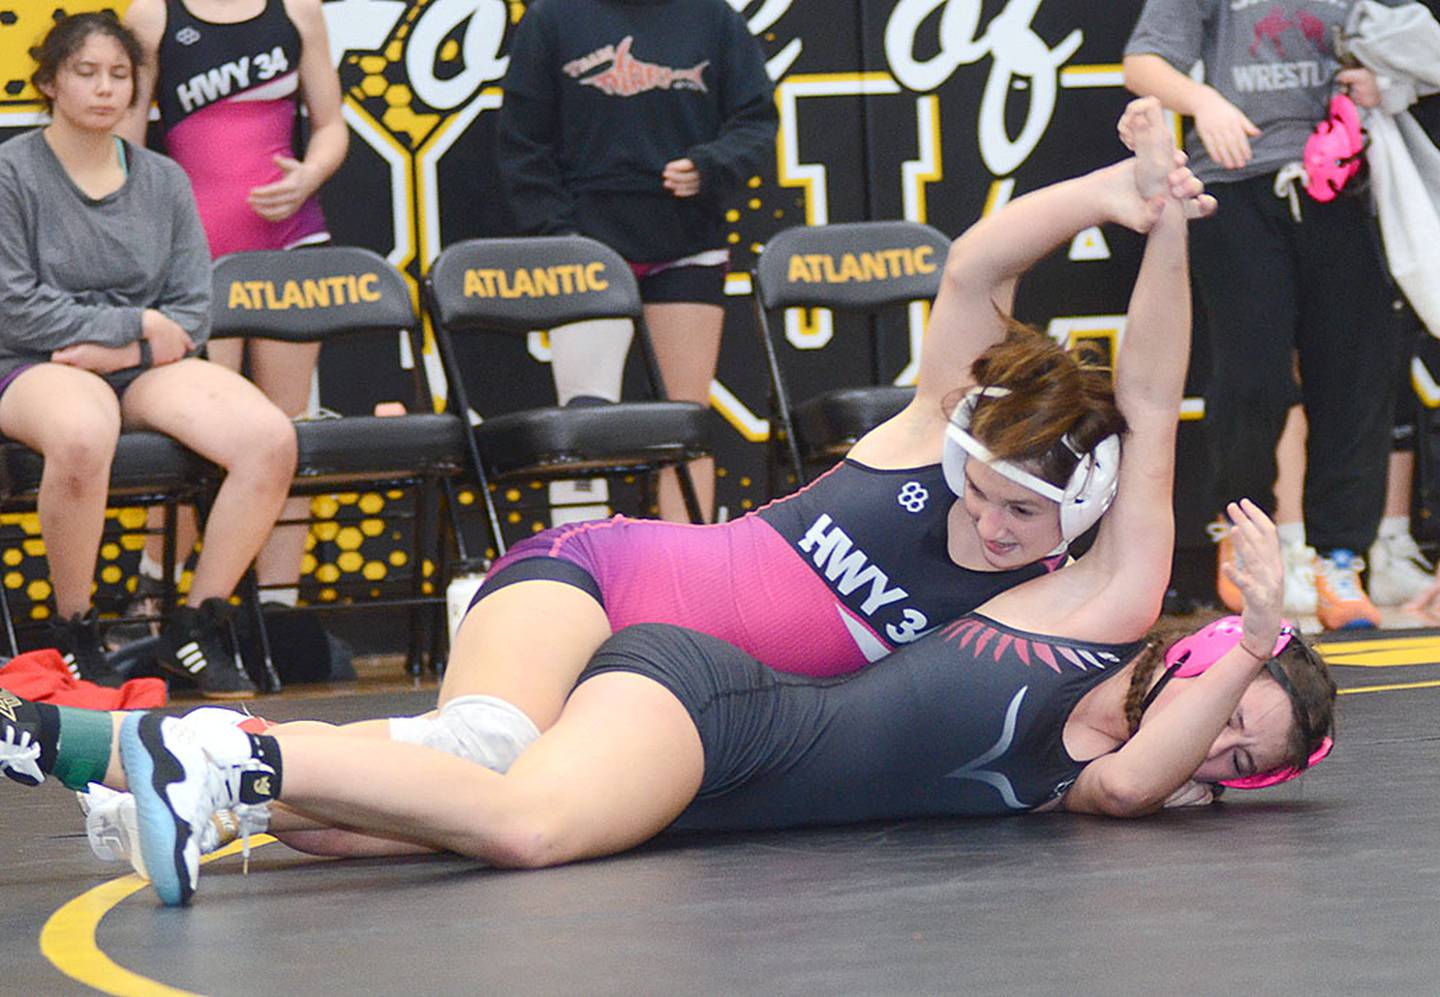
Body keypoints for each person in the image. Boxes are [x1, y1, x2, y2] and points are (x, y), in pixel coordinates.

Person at [0, 108, 1336, 909]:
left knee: (453, 773)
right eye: (980, 500)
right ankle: (208, 766)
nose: (985, 532)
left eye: (1015, 527)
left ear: (1078, 516)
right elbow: (982, 263)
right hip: (603, 570)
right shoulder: (941, 423)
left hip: (686, 673)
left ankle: (138, 766)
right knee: (481, 756)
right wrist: (1117, 195)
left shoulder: (1086, 569)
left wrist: (1171, 240)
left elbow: (1152, 399)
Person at [0, 13, 299, 696]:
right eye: (86, 72)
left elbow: (193, 311)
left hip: (134, 361)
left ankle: (193, 626)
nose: (105, 89)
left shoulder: (163, 179)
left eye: (119, 75)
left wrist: (124, 347)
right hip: (29, 360)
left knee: (268, 438)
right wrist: (135, 323)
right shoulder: (11, 172)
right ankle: (74, 630)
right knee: (80, 431)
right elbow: (14, 306)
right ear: (49, 80)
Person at [1123, 0, 1408, 631]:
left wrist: (1383, 81)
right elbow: (1142, 62)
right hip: (1237, 182)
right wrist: (1204, 101)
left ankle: (1341, 562)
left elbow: (1415, 38)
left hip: (1347, 180)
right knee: (1252, 379)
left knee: (1354, 380)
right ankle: (1241, 529)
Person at [494, 0, 779, 522]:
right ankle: (573, 573)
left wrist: (709, 166)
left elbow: (757, 121)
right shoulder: (552, 19)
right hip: (585, 254)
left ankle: (685, 576)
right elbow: (522, 141)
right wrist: (561, 237)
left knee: (684, 425)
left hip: (688, 242)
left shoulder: (713, 17)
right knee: (581, 426)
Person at [114, 0, 346, 630]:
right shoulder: (152, 16)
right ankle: (155, 605)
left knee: (287, 431)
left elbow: (331, 125)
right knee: (201, 438)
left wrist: (310, 174)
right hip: (195, 260)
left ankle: (277, 613)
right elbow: (126, 145)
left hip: (288, 249)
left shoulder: (298, 9)